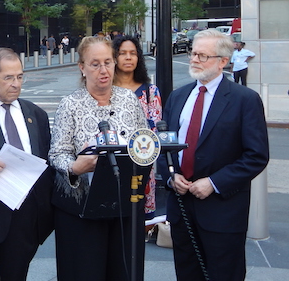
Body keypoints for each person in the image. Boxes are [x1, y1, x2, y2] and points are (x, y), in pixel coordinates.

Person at [161, 29, 269, 281]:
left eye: (202, 55)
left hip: (222, 210)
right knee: (187, 273)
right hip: (181, 207)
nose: (194, 59)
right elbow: (163, 146)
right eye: (193, 53)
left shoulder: (245, 100)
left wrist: (213, 183)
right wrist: (170, 176)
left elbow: (256, 155)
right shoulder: (178, 97)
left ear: (223, 61)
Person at [48, 36, 149, 280]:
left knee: (124, 272)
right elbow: (56, 154)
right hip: (82, 208)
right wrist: (75, 167)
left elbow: (143, 144)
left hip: (124, 204)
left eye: (108, 62)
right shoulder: (70, 105)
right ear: (82, 67)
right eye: (95, 64)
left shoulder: (129, 100)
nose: (103, 70)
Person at [0, 48, 54, 281]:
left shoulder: (36, 114)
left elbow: (46, 163)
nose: (15, 84)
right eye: (8, 77)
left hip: (23, 221)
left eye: (19, 77)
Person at [113, 35, 162, 219]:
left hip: (141, 165)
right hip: (111, 164)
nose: (128, 57)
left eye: (133, 53)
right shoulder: (105, 89)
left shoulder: (150, 92)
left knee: (137, 222)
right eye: (122, 53)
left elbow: (155, 130)